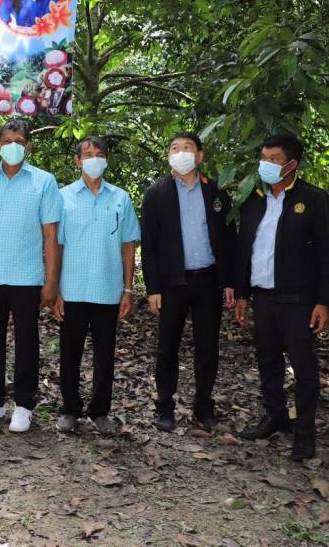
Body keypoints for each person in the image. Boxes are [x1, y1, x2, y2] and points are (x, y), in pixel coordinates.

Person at [234, 133, 329, 462]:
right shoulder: (254, 200)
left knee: (303, 367)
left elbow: (328, 254)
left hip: (298, 300)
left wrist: (323, 301)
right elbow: (245, 247)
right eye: (263, 157)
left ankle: (304, 433)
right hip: (262, 296)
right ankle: (275, 416)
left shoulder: (314, 199)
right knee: (268, 361)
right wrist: (242, 293)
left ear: (291, 164)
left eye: (274, 158)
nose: (265, 164)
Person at [0, 120, 61, 433]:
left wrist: (51, 281)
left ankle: (24, 405)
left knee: (26, 342)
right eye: (7, 140)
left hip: (27, 276)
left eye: (19, 141)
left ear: (28, 146)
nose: (13, 145)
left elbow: (51, 235)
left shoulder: (44, 182)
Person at [140, 132, 236, 433]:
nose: (181, 153)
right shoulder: (156, 194)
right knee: (167, 346)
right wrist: (153, 288)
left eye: (187, 148)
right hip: (172, 283)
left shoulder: (216, 191)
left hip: (208, 280)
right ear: (168, 155)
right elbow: (149, 244)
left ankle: (204, 405)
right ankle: (164, 406)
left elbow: (229, 238)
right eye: (175, 148)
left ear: (199, 156)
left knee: (207, 346)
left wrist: (229, 281)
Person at [52, 137, 139, 435]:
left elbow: (128, 245)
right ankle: (70, 409)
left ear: (106, 160)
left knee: (105, 355)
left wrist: (127, 290)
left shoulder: (120, 198)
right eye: (87, 154)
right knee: (70, 353)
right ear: (78, 161)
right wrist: (55, 291)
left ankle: (100, 411)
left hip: (108, 290)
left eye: (99, 154)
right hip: (72, 290)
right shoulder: (62, 197)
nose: (93, 159)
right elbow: (57, 246)